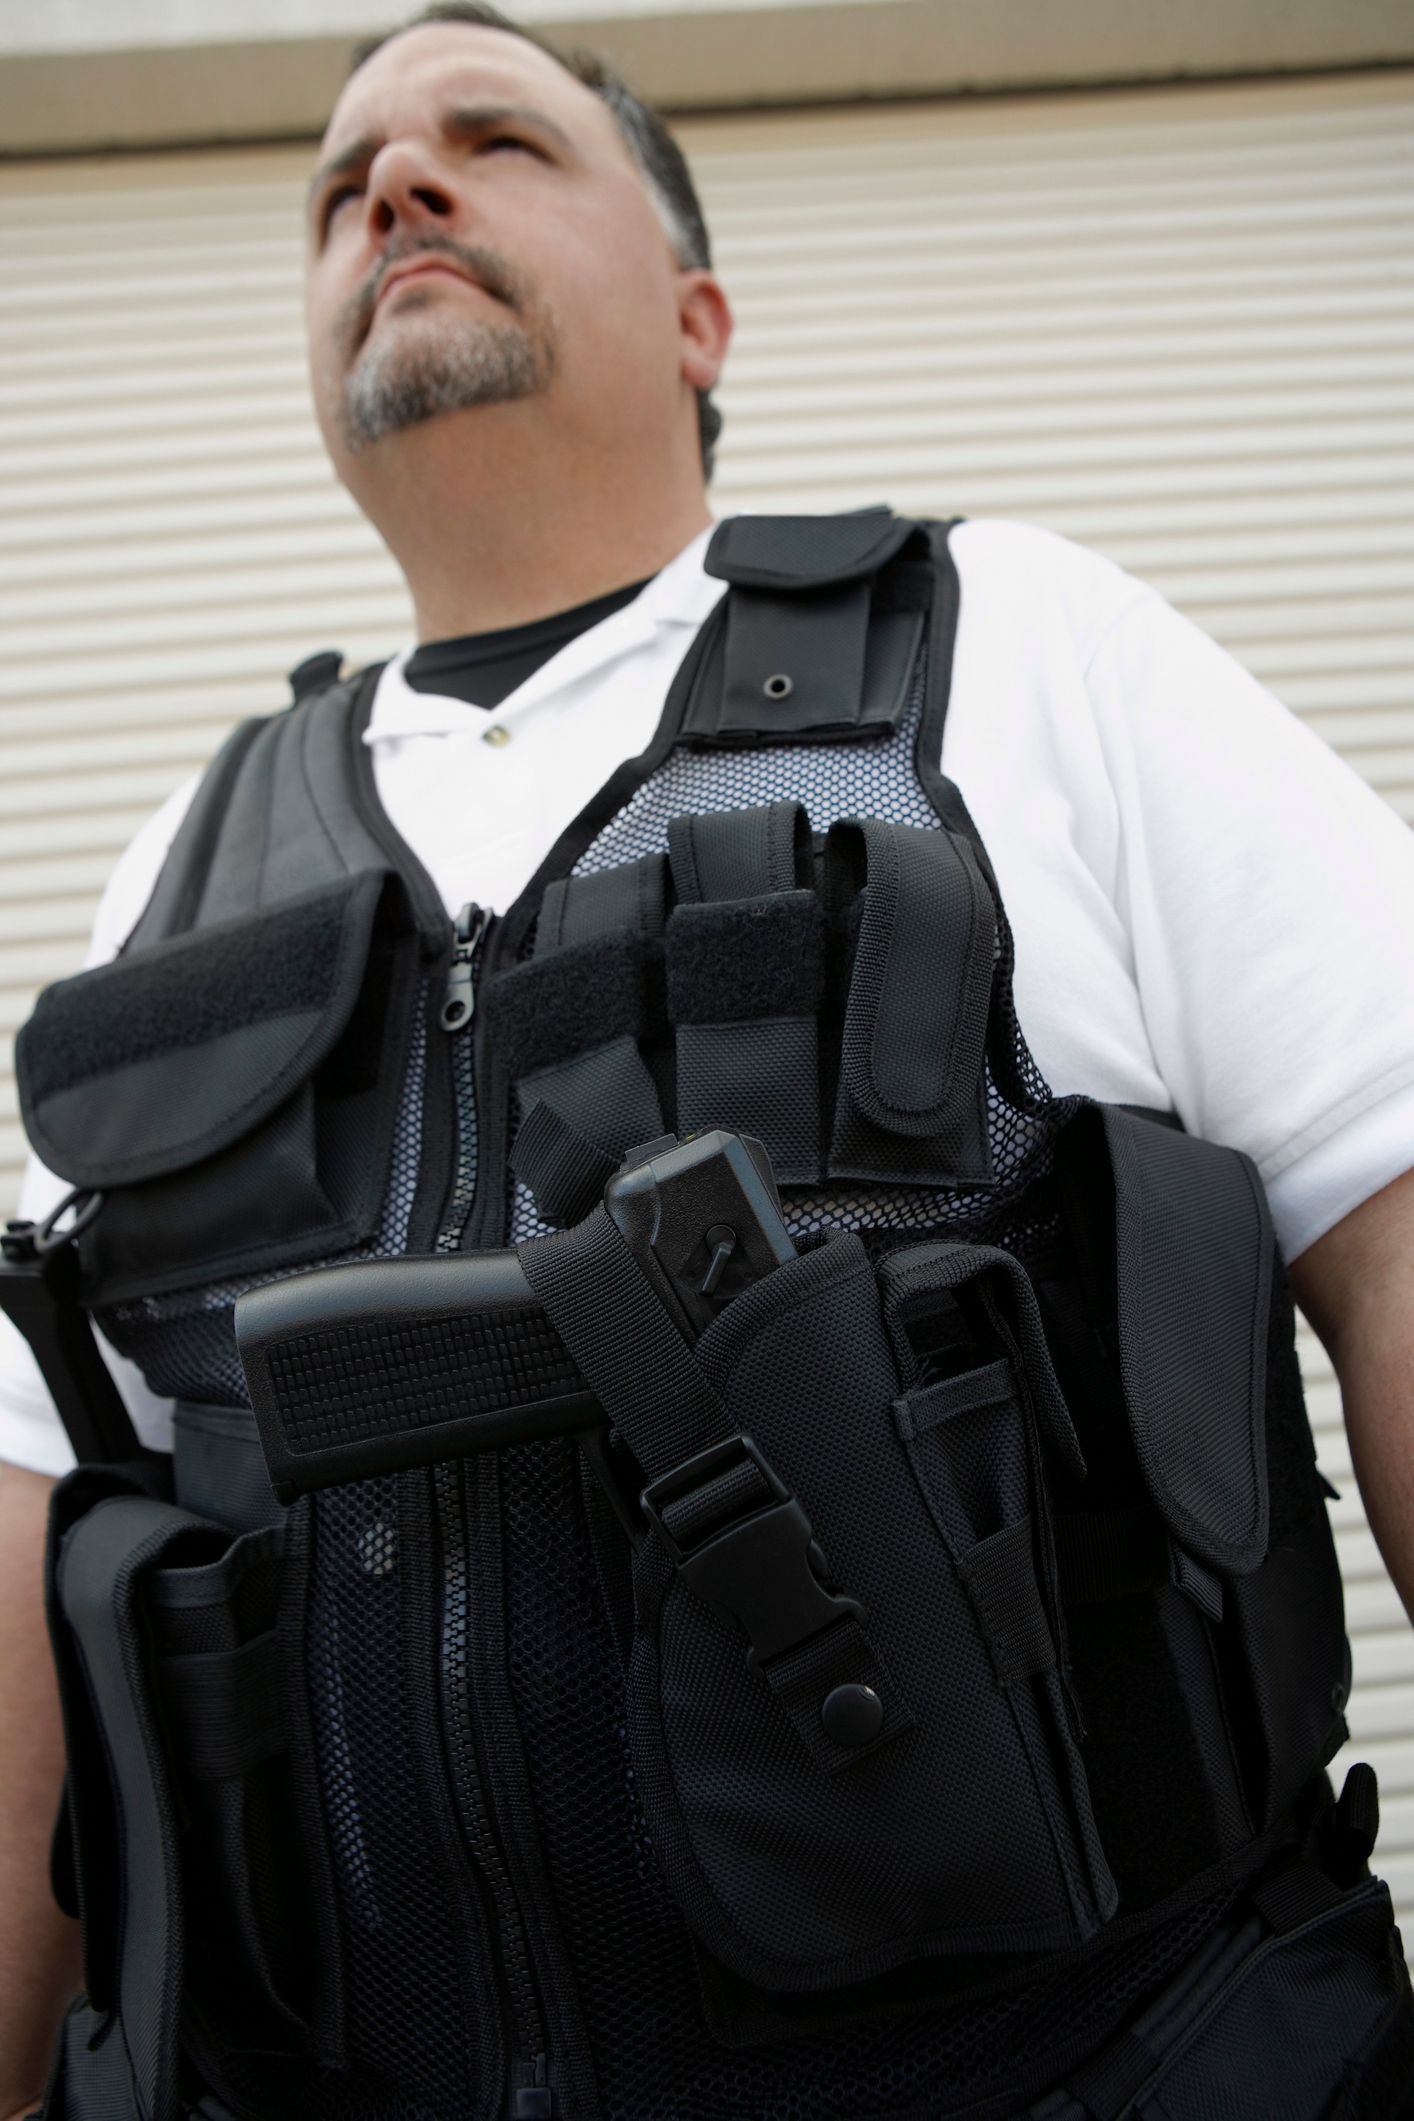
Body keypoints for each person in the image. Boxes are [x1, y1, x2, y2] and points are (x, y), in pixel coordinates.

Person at [3, 5, 1414, 2116]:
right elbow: (34, 1526)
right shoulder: (178, 883)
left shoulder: (1015, 648)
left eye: (494, 140)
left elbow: (1393, 1227)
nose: (394, 185)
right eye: (337, 184)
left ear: (696, 314)